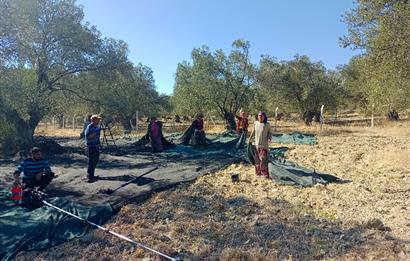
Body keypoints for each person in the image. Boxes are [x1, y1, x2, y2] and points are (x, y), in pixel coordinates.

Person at [248, 111, 272, 178]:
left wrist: (269, 138)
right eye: (259, 116)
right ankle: (258, 173)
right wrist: (250, 138)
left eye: (261, 116)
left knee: (263, 160)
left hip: (264, 145)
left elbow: (270, 133)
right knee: (257, 160)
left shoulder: (267, 124)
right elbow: (253, 131)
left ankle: (264, 173)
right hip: (256, 145)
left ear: (264, 117)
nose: (260, 117)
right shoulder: (256, 123)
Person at [84, 114, 102, 183]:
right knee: (91, 161)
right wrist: (96, 132)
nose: (99, 121)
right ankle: (89, 176)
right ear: (93, 120)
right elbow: (88, 137)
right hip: (91, 147)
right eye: (97, 119)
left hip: (96, 146)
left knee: (95, 161)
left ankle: (92, 175)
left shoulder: (96, 127)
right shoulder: (90, 127)